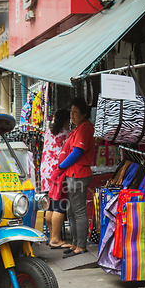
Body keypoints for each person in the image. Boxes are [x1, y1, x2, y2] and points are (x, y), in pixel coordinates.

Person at [58, 98, 95, 257]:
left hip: (78, 174)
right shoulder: (79, 127)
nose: (72, 115)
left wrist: (60, 166)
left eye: (76, 112)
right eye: (71, 112)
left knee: (78, 211)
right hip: (73, 174)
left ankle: (81, 245)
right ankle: (75, 243)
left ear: (84, 114)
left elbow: (77, 152)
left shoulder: (85, 128)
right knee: (72, 211)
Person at [40, 109, 71, 249]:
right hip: (57, 171)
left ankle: (52, 235)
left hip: (46, 170)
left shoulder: (47, 133)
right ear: (66, 120)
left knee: (50, 203)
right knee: (59, 204)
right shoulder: (67, 134)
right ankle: (56, 239)